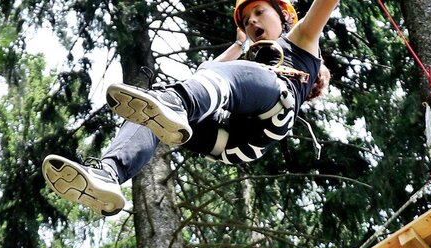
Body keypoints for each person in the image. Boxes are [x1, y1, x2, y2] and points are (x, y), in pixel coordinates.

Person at [42, 0, 339, 217]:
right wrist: (238, 44)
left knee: (214, 84)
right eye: (247, 20)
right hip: (229, 138)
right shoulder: (242, 60)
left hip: (272, 112)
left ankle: (176, 103)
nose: (252, 22)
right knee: (151, 111)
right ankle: (108, 174)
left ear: (286, 16)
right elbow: (205, 73)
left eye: (259, 12)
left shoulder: (301, 40)